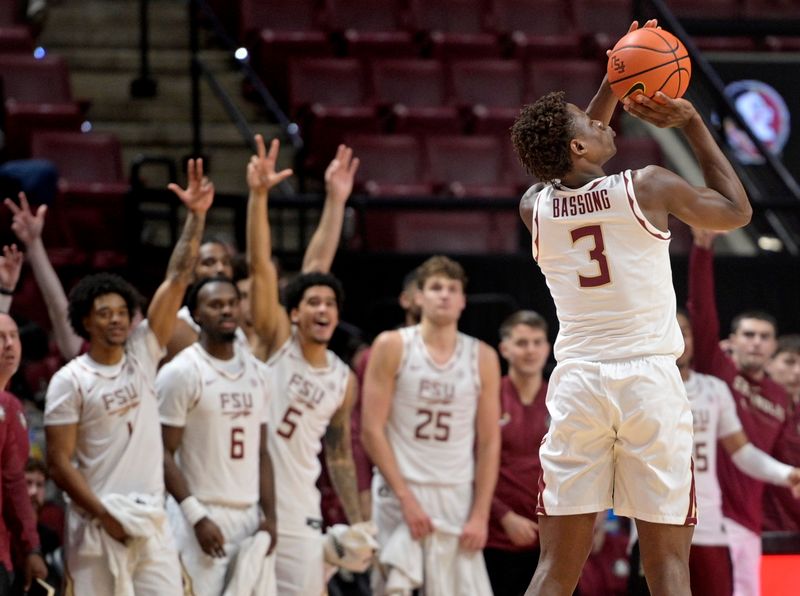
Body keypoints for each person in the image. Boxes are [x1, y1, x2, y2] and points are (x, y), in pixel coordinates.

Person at [510, 18, 752, 595]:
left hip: (577, 386)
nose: (600, 121)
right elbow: (736, 211)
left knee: (554, 569)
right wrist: (693, 125)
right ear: (576, 146)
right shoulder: (646, 186)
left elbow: (562, 160)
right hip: (647, 382)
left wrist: (617, 78)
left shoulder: (532, 208)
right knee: (668, 566)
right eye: (588, 125)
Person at [44, 158, 214, 595]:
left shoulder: (143, 351)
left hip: (151, 518)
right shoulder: (70, 379)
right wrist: (104, 515)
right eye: (105, 314)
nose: (117, 321)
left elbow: (178, 278)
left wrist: (195, 218)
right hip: (97, 520)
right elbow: (59, 465)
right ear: (86, 321)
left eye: (122, 312)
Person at [246, 135, 364, 595]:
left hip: (301, 511)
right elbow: (262, 267)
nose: (322, 309)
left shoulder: (341, 377)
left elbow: (338, 454)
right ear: (294, 312)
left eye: (330, 303)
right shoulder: (276, 339)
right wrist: (258, 197)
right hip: (245, 500)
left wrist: (359, 521)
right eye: (312, 302)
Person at [629, 312, 800, 596]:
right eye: (672, 331)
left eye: (686, 331)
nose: (680, 339)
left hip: (709, 523)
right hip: (653, 522)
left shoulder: (714, 389)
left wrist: (788, 474)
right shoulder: (637, 388)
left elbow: (743, 452)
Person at [362, 255, 501, 594]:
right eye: (436, 287)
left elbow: (489, 441)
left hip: (454, 493)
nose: (444, 295)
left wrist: (481, 514)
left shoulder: (483, 356)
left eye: (453, 289)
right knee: (392, 587)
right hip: (400, 492)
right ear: (418, 296)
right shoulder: (392, 345)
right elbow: (371, 429)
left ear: (463, 301)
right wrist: (405, 497)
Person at [164, 142, 359, 363]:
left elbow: (314, 270)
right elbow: (259, 265)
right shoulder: (185, 331)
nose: (249, 303)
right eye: (244, 296)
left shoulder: (270, 336)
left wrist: (335, 201)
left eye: (246, 297)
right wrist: (258, 195)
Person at [156, 276, 277, 595]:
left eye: (232, 303)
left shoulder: (259, 374)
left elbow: (262, 452)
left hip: (249, 517)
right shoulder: (181, 373)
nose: (227, 310)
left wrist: (271, 517)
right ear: (195, 315)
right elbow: (161, 452)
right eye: (215, 304)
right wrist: (196, 517)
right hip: (200, 515)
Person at [688, 229, 788, 596]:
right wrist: (703, 247)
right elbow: (702, 311)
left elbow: (784, 458)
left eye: (764, 337)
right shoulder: (718, 372)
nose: (756, 342)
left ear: (774, 346)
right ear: (733, 339)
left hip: (747, 521)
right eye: (748, 334)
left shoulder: (780, 397)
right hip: (701, 513)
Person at [484, 310, 550, 596]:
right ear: (505, 348)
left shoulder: (561, 398)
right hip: (497, 535)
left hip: (552, 539)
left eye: (537, 342)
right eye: (522, 343)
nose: (531, 350)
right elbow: (468, 463)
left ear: (548, 347)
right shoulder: (486, 397)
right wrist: (504, 516)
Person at [0, 313, 48, 594]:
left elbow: (14, 484)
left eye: (13, 336)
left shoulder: (11, 406)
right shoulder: (7, 406)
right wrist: (31, 547)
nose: (9, 344)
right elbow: (13, 482)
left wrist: (28, 547)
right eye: (0, 338)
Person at [763, 334, 800, 532]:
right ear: (768, 364)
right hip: (765, 525)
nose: (798, 371)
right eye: (789, 362)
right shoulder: (754, 409)